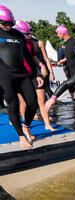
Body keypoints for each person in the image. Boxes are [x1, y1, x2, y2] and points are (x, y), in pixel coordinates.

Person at [0, 7, 45, 148]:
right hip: (4, 75)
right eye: (4, 23)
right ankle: (21, 135)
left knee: (33, 103)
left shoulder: (18, 35)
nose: (8, 26)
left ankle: (26, 125)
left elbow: (28, 56)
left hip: (22, 74)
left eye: (10, 23)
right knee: (13, 105)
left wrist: (37, 73)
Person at [16, 20, 56, 132]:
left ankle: (47, 123)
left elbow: (38, 58)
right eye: (27, 33)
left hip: (35, 73)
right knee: (24, 101)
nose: (29, 34)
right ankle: (25, 125)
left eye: (30, 32)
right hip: (21, 75)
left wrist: (46, 68)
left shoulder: (36, 43)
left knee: (41, 99)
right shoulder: (16, 42)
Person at [56, 25, 75, 110]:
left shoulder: (74, 41)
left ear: (62, 33)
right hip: (72, 71)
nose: (58, 35)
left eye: (58, 33)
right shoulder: (65, 44)